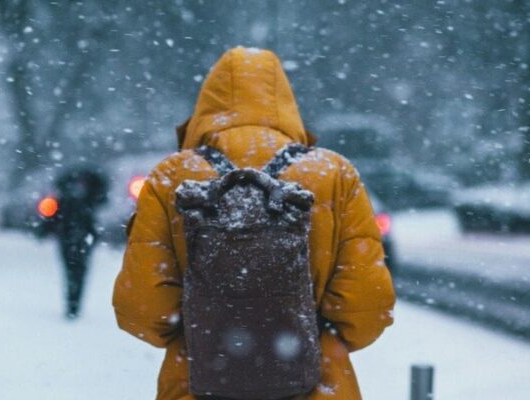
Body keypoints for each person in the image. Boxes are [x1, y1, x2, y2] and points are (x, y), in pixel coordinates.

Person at [113, 47, 396, 399]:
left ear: (206, 105)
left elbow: (141, 311)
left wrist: (207, 332)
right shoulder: (333, 174)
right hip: (316, 386)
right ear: (285, 102)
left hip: (195, 384)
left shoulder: (172, 177)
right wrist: (303, 336)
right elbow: (368, 307)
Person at [39, 168, 107, 320]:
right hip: (80, 238)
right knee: (78, 271)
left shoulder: (67, 196)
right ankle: (74, 303)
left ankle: (72, 303)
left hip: (70, 237)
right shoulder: (89, 197)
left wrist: (45, 230)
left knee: (72, 271)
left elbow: (52, 216)